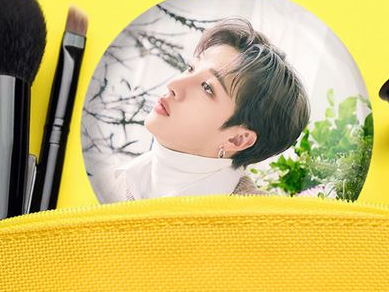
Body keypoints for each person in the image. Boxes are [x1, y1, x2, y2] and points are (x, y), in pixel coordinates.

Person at [95, 17, 311, 202]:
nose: (174, 85)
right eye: (190, 68)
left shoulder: (262, 225)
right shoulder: (109, 183)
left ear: (237, 139)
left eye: (207, 88)